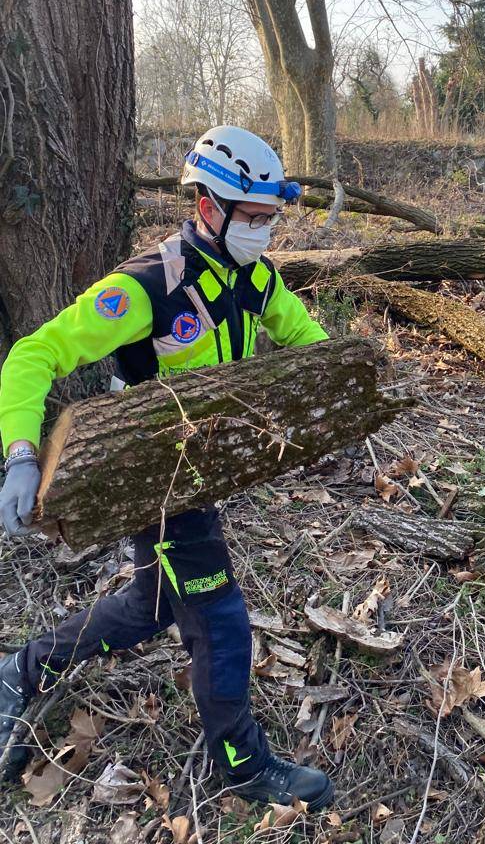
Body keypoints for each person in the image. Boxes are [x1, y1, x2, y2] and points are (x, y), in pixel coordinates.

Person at [0, 126, 334, 810]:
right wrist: (21, 456)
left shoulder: (257, 278)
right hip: (152, 479)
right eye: (253, 218)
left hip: (203, 476)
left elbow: (311, 344)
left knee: (150, 606)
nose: (265, 232)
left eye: (273, 218)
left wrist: (348, 391)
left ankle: (18, 670)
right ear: (207, 205)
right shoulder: (149, 287)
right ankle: (242, 764)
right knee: (219, 616)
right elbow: (33, 356)